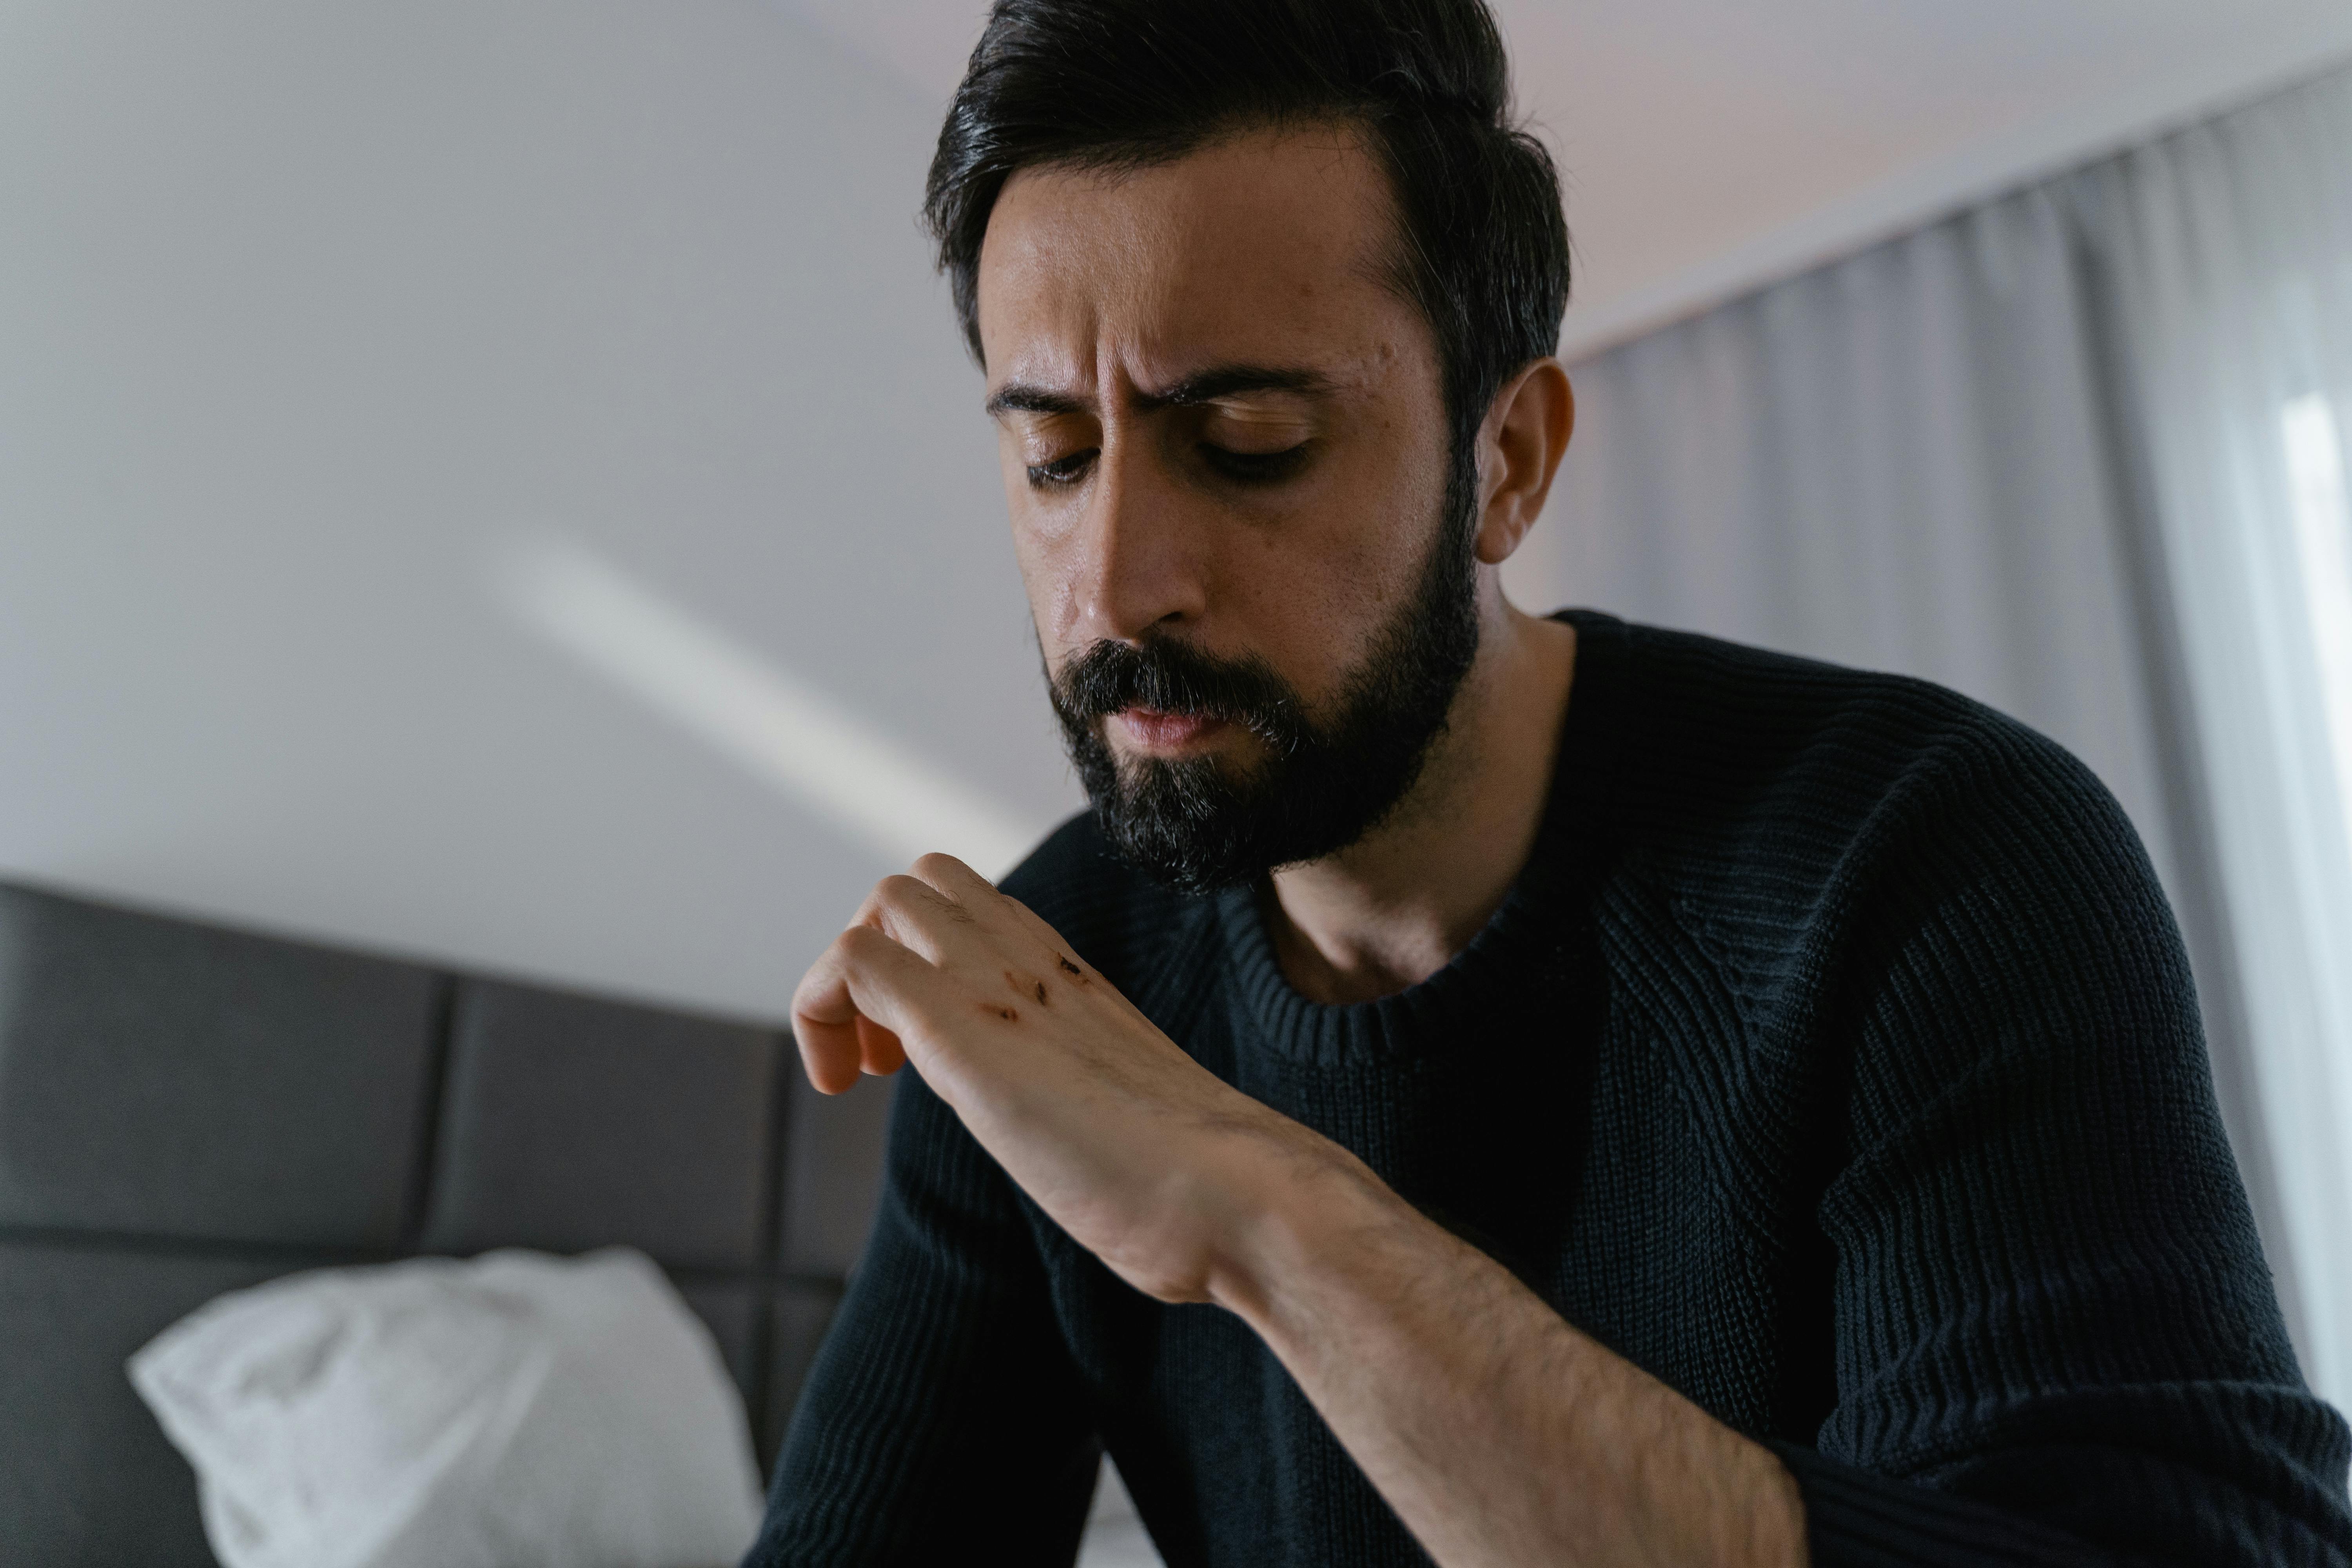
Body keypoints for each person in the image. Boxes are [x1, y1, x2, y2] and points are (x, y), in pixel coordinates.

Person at [745, 1, 2352, 1563]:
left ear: (1505, 460)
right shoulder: (1045, 991)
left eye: (1246, 442)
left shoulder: (1938, 864)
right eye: (1054, 457)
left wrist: (1274, 1222)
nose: (1117, 579)